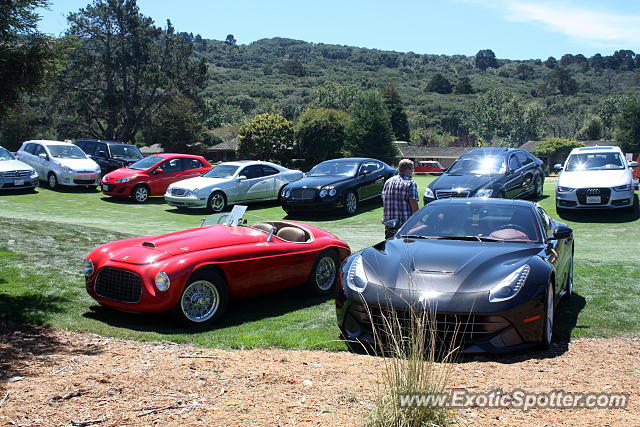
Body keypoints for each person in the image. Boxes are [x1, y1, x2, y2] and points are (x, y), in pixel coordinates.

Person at [382, 159, 419, 239]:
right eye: (412, 169)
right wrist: (419, 218)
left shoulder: (388, 182)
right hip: (404, 225)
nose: (412, 171)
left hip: (389, 224)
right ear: (407, 169)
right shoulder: (410, 183)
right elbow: (413, 203)